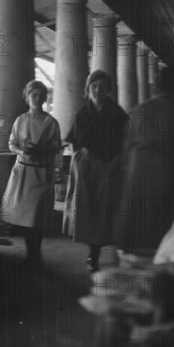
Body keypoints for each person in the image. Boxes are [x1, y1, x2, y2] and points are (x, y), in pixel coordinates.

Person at [113, 67, 174, 256]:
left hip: (137, 183)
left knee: (139, 240)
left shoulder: (137, 111)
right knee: (168, 243)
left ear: (155, 86)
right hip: (172, 183)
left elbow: (124, 153)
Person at [63, 70, 129, 273]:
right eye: (93, 87)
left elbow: (126, 140)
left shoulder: (118, 113)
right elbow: (74, 140)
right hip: (87, 167)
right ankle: (93, 253)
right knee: (89, 209)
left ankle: (110, 250)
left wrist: (118, 161)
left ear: (108, 89)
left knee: (107, 208)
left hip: (111, 166)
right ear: (88, 89)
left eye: (101, 87)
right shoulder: (82, 113)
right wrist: (80, 161)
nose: (97, 91)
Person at [0, 80, 61, 267]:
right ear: (27, 97)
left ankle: (35, 253)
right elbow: (12, 142)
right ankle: (30, 253)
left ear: (45, 98)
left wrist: (41, 151)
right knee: (25, 216)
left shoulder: (51, 122)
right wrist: (22, 151)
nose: (37, 98)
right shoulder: (20, 120)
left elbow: (55, 147)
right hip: (23, 172)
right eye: (33, 94)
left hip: (41, 172)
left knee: (37, 216)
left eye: (41, 95)